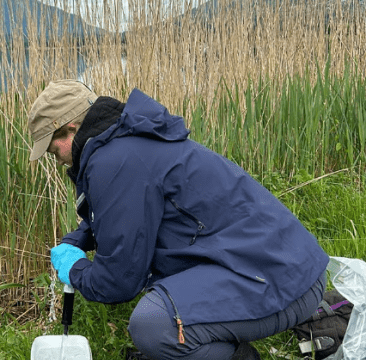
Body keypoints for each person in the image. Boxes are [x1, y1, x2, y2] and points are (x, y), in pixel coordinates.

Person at [27, 79, 329, 360]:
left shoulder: (115, 162)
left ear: (70, 128)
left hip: (283, 283)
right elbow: (121, 215)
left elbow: (117, 283)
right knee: (164, 302)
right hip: (283, 266)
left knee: (154, 326)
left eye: (55, 150)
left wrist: (76, 270)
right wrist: (77, 239)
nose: (60, 160)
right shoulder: (126, 142)